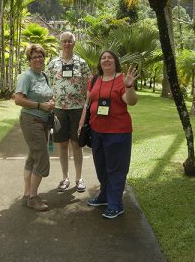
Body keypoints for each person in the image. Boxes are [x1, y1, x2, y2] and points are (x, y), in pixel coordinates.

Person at [78, 50, 138, 219]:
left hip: (118, 132)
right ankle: (104, 196)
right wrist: (82, 122)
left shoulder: (122, 79)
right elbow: (88, 103)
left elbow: (131, 101)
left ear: (115, 61)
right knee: (102, 167)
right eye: (103, 58)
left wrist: (128, 86)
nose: (106, 60)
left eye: (110, 57)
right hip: (97, 131)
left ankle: (116, 204)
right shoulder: (95, 79)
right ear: (100, 62)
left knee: (116, 169)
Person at [47, 31, 92, 192]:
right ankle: (65, 177)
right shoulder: (53, 64)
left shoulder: (81, 63)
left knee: (76, 144)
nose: (67, 43)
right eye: (64, 41)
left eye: (69, 41)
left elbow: (89, 86)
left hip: (78, 109)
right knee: (62, 145)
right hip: (59, 110)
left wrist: (87, 106)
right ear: (61, 43)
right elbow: (47, 86)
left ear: (74, 43)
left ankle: (79, 178)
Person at [14, 44, 54, 211]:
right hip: (32, 120)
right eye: (34, 57)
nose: (38, 59)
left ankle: (26, 195)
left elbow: (48, 95)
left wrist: (51, 103)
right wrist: (40, 106)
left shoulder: (43, 75)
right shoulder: (26, 76)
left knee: (33, 158)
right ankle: (33, 197)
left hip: (43, 121)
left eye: (40, 56)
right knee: (42, 158)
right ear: (29, 60)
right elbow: (18, 99)